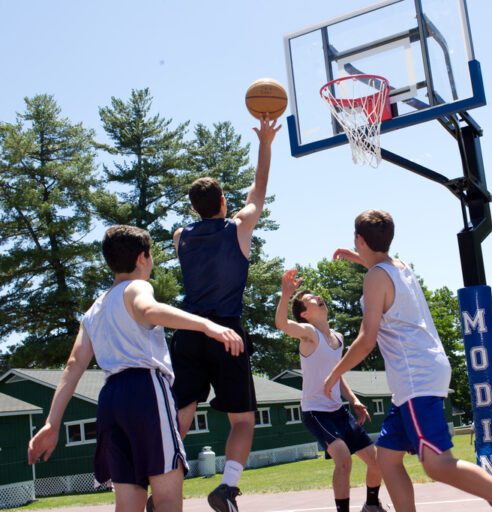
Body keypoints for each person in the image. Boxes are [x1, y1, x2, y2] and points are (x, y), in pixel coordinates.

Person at [324, 210, 492, 512]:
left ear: (359, 239)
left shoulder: (375, 278)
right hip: (423, 372)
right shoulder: (400, 266)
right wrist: (357, 256)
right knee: (387, 458)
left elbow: (366, 339)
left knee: (437, 463)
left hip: (415, 377)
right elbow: (380, 266)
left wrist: (334, 373)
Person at [27, 225, 244, 512]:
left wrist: (52, 423)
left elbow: (73, 365)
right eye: (151, 255)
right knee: (167, 496)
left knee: (128, 503)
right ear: (142, 258)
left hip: (111, 400)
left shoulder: (94, 310)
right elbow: (147, 310)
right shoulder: (137, 287)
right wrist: (207, 325)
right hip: (145, 389)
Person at [169, 116, 280, 512]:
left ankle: (164, 480)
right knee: (243, 421)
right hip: (226, 331)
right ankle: (227, 487)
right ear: (222, 203)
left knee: (182, 410)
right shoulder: (238, 228)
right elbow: (259, 190)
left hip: (188, 332)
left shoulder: (180, 236)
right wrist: (265, 142)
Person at [275, 269, 386, 512]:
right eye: (309, 299)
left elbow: (337, 374)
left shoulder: (337, 337)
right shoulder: (309, 335)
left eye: (315, 295)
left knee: (377, 461)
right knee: (343, 460)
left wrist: (354, 399)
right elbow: (282, 324)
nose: (316, 297)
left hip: (338, 410)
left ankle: (371, 505)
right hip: (316, 412)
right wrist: (286, 295)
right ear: (305, 314)